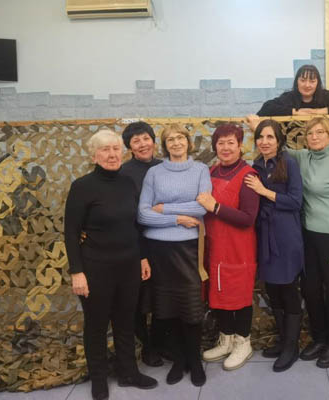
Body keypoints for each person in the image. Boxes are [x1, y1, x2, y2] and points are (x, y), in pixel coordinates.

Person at [247, 116, 329, 368]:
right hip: (307, 234)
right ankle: (319, 339)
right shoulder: (303, 157)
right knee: (310, 290)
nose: (315, 137)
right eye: (310, 133)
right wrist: (259, 127)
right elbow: (275, 146)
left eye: (320, 132)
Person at [64, 129, 158, 400]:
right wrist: (77, 272)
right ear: (94, 155)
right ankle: (99, 378)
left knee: (125, 322)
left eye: (116, 149)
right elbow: (71, 232)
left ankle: (129, 372)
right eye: (105, 149)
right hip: (96, 269)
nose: (112, 154)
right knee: (96, 325)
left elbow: (134, 225)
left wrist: (141, 257)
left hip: (128, 267)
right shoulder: (82, 187)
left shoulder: (128, 183)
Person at [138, 124, 212, 387]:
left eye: (180, 138)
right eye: (170, 139)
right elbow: (143, 213)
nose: (176, 143)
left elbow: (202, 208)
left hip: (188, 249)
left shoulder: (200, 170)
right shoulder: (154, 173)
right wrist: (178, 218)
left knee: (191, 307)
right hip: (159, 250)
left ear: (188, 142)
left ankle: (194, 360)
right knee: (167, 309)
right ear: (164, 145)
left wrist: (164, 209)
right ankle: (179, 360)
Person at [197, 124, 260, 371]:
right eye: (221, 143)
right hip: (214, 245)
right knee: (218, 290)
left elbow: (248, 218)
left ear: (240, 146)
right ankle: (226, 339)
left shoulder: (248, 175)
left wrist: (215, 207)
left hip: (238, 247)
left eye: (231, 143)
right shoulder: (211, 171)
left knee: (239, 294)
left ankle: (243, 342)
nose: (225, 148)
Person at [244, 119, 304, 372]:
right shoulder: (256, 165)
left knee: (288, 289)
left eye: (270, 137)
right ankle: (283, 341)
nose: (264, 142)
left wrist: (264, 191)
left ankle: (292, 347)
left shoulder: (289, 163)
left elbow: (296, 201)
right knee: (273, 289)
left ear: (279, 141)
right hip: (264, 234)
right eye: (260, 137)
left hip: (286, 234)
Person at [119, 121, 164, 368]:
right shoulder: (123, 173)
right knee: (139, 300)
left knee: (162, 296)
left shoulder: (165, 167)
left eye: (146, 138)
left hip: (166, 242)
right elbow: (127, 216)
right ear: (129, 147)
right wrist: (140, 255)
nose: (143, 144)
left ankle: (161, 342)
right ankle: (146, 345)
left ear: (154, 141)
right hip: (137, 243)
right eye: (136, 141)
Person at [257, 64, 329, 116]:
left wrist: (320, 111)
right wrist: (295, 112)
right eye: (303, 80)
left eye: (312, 81)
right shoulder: (289, 97)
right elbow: (266, 108)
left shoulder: (325, 96)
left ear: (318, 83)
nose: (307, 85)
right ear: (297, 82)